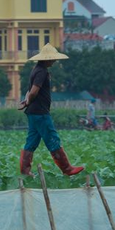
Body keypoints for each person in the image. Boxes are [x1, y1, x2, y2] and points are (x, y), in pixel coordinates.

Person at [18, 44, 84, 177]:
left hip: (33, 112)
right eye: (53, 59)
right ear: (47, 59)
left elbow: (29, 91)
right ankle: (67, 168)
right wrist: (29, 100)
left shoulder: (35, 69)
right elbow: (34, 91)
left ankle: (25, 171)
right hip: (40, 112)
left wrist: (26, 102)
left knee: (32, 141)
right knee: (52, 138)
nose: (54, 61)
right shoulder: (42, 72)